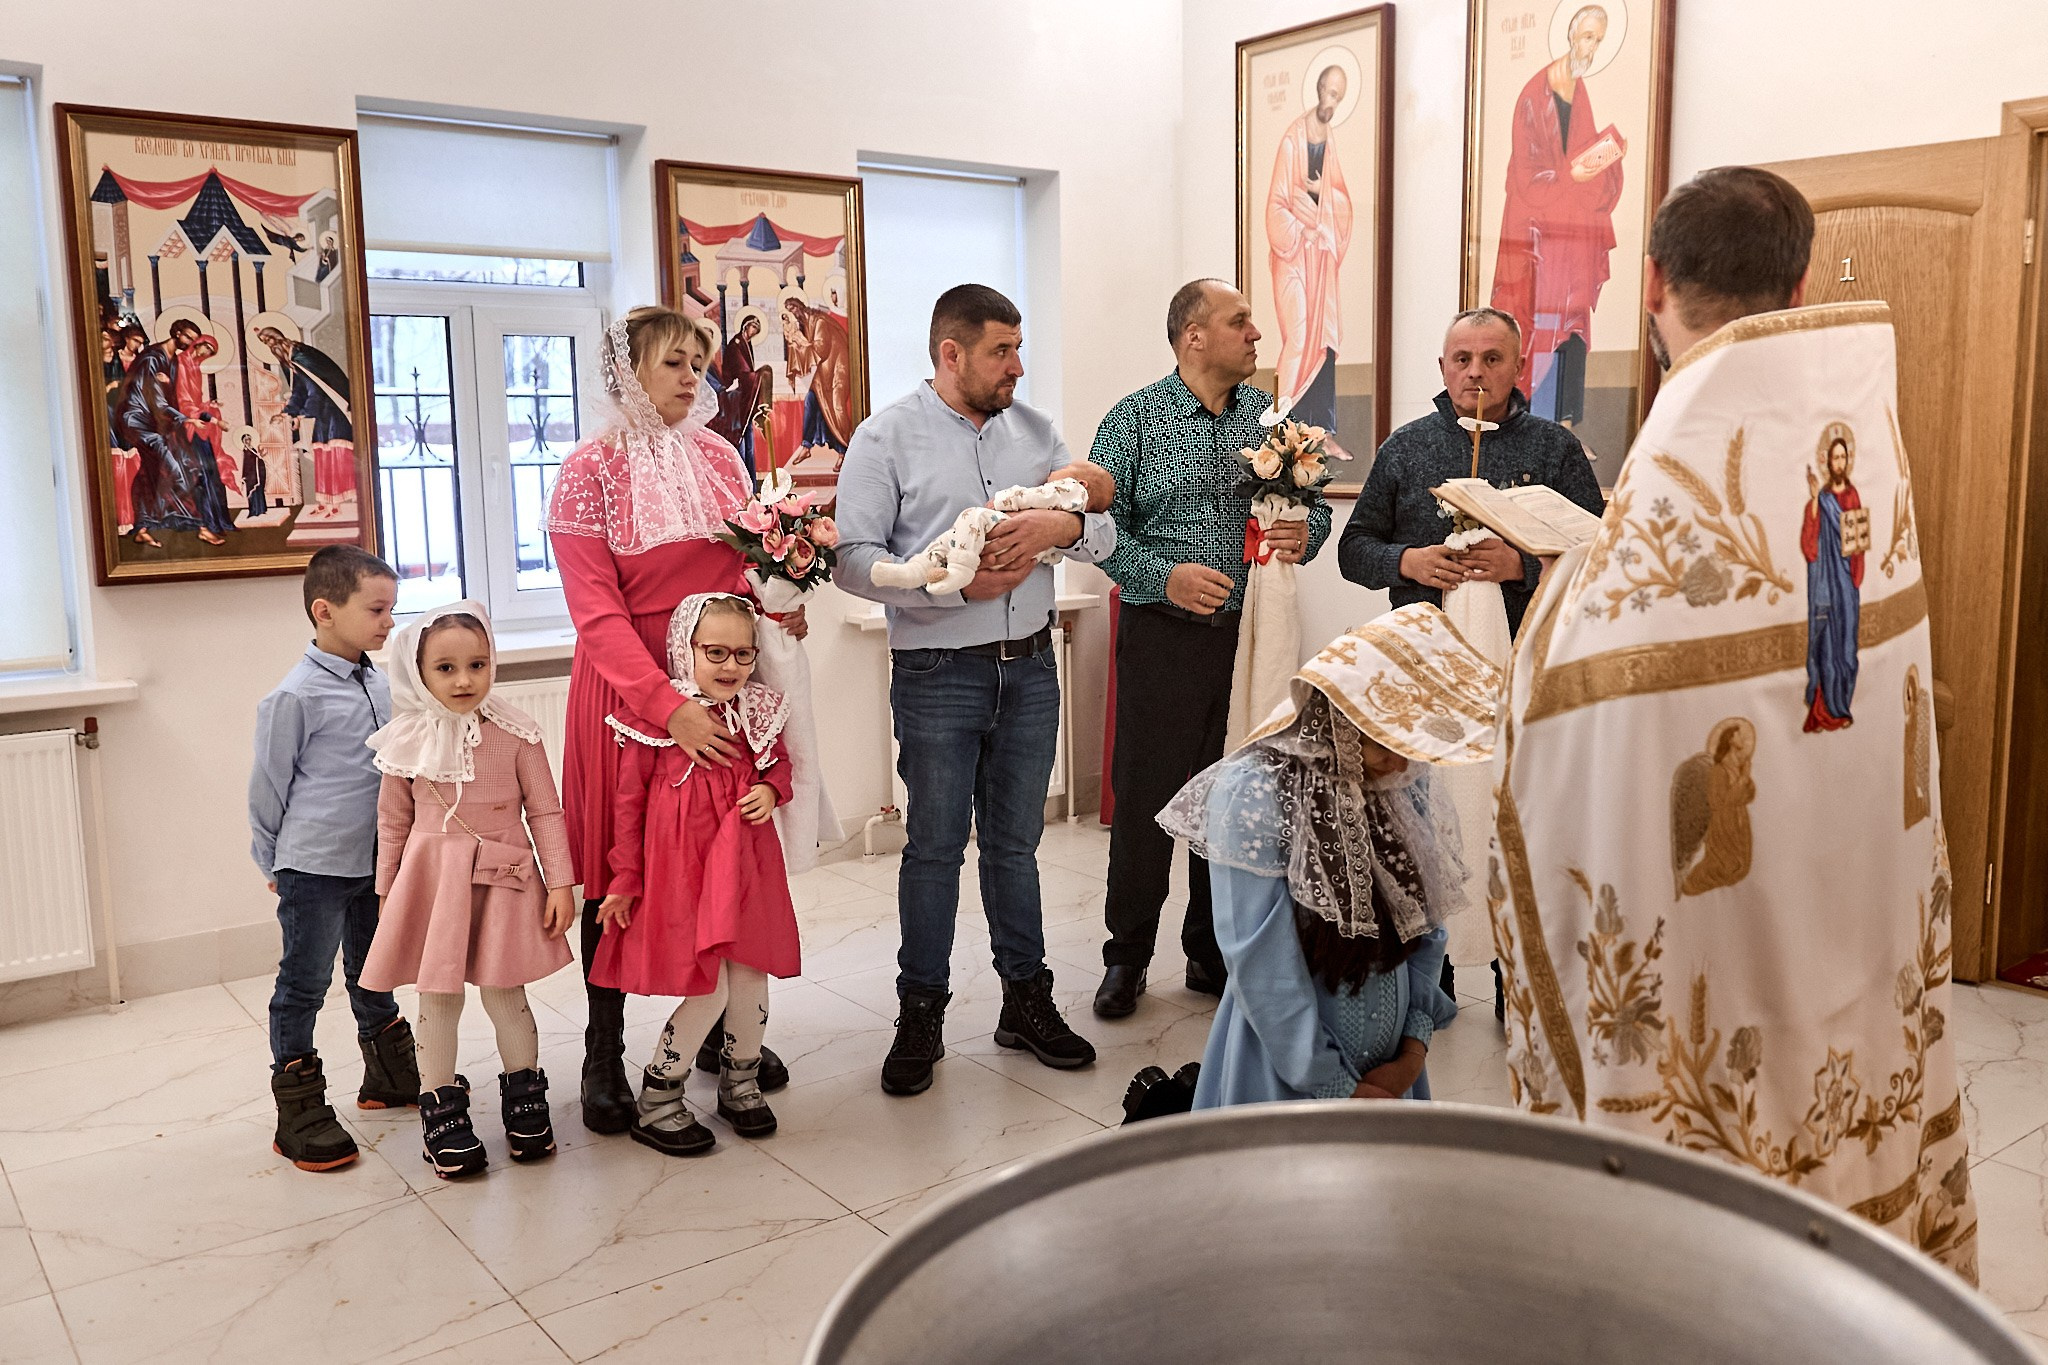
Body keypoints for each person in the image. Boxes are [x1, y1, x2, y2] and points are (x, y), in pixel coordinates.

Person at [1490, 166, 1978, 1281]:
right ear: (1798, 285)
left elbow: (1553, 751)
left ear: (1651, 281)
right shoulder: (1868, 452)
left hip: (1721, 959)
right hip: (1853, 904)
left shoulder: (1643, 540)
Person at [836, 282, 1117, 1096]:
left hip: (1030, 668)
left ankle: (1024, 1000)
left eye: (1020, 348)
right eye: (1002, 350)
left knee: (1015, 846)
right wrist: (953, 588)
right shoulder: (884, 437)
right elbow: (852, 559)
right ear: (950, 353)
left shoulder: (1038, 433)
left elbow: (1101, 527)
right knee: (932, 849)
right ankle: (920, 1012)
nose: (1017, 366)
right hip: (938, 674)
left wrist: (1063, 525)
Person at [546, 305, 803, 1134]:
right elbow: (597, 613)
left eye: (699, 363)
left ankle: (723, 1031)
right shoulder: (587, 471)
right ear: (627, 373)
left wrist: (779, 606)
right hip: (625, 696)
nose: (693, 377)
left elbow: (746, 571)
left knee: (724, 849)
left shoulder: (722, 457)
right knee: (618, 866)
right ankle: (602, 1050)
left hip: (720, 682)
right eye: (674, 363)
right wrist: (668, 705)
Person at [1089, 278, 1331, 1020]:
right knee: (1147, 799)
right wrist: (1163, 576)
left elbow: (1316, 508)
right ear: (1194, 336)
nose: (1256, 333)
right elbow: (1097, 532)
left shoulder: (1271, 420)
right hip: (1162, 636)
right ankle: (1127, 955)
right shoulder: (1133, 420)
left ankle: (1210, 949)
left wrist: (1306, 532)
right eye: (1240, 321)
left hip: (1252, 638)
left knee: (1234, 794)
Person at [1160, 606, 1489, 1108]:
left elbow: (1425, 923)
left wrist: (1412, 1051)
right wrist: (1335, 1085)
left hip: (1391, 1069)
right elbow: (1259, 960)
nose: (1402, 762)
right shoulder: (1257, 791)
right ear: (1340, 721)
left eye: (1410, 740)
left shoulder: (1402, 780)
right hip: (1284, 1071)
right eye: (1384, 742)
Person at [358, 603, 577, 1179]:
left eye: (477, 665)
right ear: (419, 672)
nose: (463, 680)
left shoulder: (518, 733)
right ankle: (440, 1109)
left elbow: (546, 811)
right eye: (446, 668)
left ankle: (525, 1097)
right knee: (438, 997)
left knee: (507, 990)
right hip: (434, 883)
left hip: (504, 879)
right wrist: (388, 894)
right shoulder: (405, 742)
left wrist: (560, 881)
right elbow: (392, 823)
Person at [595, 594, 801, 1154]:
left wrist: (770, 789)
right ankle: (659, 1096)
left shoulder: (755, 711)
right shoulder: (656, 723)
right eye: (715, 652)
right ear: (685, 650)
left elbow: (779, 763)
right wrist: (625, 880)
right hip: (683, 871)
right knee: (708, 985)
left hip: (747, 865)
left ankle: (741, 1080)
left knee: (751, 975)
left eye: (743, 654)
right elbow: (628, 808)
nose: (731, 666)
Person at [248, 545, 418, 1172]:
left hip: (374, 862)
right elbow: (268, 787)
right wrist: (273, 862)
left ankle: (388, 1076)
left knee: (374, 969)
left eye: (391, 609)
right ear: (325, 611)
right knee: (304, 984)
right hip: (314, 865)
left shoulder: (381, 682)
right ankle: (298, 1110)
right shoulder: (293, 696)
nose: (388, 622)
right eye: (376, 610)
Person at [1339, 307, 1604, 638]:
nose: (1475, 372)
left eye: (1492, 359)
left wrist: (1522, 566)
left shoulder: (1556, 446)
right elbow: (1352, 551)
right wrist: (1407, 562)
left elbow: (1600, 554)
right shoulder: (1404, 446)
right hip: (1421, 646)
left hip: (1527, 647)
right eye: (1462, 359)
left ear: (1519, 367)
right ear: (1443, 368)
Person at [1491, 3, 1627, 427]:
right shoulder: (1535, 94)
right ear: (1570, 35)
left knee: (1573, 323)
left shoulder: (1578, 90)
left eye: (1598, 40)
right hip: (1536, 235)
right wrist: (1571, 175)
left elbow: (1580, 154)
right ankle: (1534, 428)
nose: (1592, 47)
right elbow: (1528, 173)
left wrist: (1604, 158)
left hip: (1570, 235)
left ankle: (1565, 428)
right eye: (1587, 37)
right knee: (1540, 324)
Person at [1265, 63, 1353, 437]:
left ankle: (1322, 434)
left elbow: (1342, 201)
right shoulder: (1292, 139)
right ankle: (1282, 431)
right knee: (1299, 338)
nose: (1331, 102)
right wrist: (1304, 225)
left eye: (1338, 97)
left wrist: (1321, 196)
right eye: (1329, 92)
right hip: (1293, 255)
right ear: (1317, 90)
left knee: (1323, 343)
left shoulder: (1330, 142)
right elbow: (1276, 204)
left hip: (1320, 258)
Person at [114, 318, 235, 547]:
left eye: (194, 340)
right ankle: (199, 527)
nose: (190, 343)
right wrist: (187, 418)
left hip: (157, 421)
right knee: (177, 468)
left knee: (155, 470)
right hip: (138, 420)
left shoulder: (171, 361)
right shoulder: (153, 357)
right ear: (177, 333)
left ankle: (143, 527)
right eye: (188, 337)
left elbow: (171, 396)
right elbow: (156, 399)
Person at [710, 311, 770, 475]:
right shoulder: (736, 344)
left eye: (757, 329)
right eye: (753, 327)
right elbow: (742, 372)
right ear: (745, 326)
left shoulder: (746, 344)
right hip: (735, 398)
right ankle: (742, 476)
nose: (754, 331)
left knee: (748, 439)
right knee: (740, 438)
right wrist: (758, 376)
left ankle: (750, 478)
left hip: (745, 398)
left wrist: (755, 377)